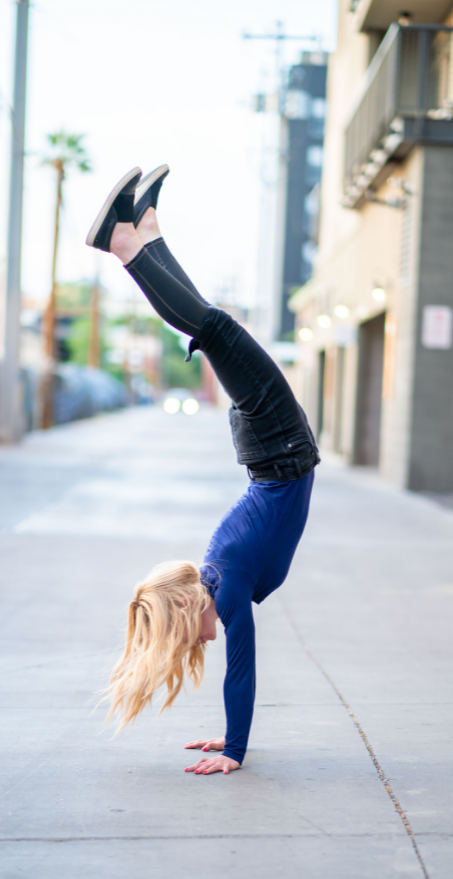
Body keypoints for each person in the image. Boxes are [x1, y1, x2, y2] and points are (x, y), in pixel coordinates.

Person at [86, 166, 320, 775]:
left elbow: (242, 667)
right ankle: (147, 232)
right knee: (213, 327)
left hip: (278, 442)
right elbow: (235, 666)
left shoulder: (228, 582)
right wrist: (229, 736)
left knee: (214, 327)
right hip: (270, 448)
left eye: (188, 635)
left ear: (190, 608)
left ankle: (126, 244)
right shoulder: (219, 575)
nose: (201, 644)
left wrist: (235, 751)